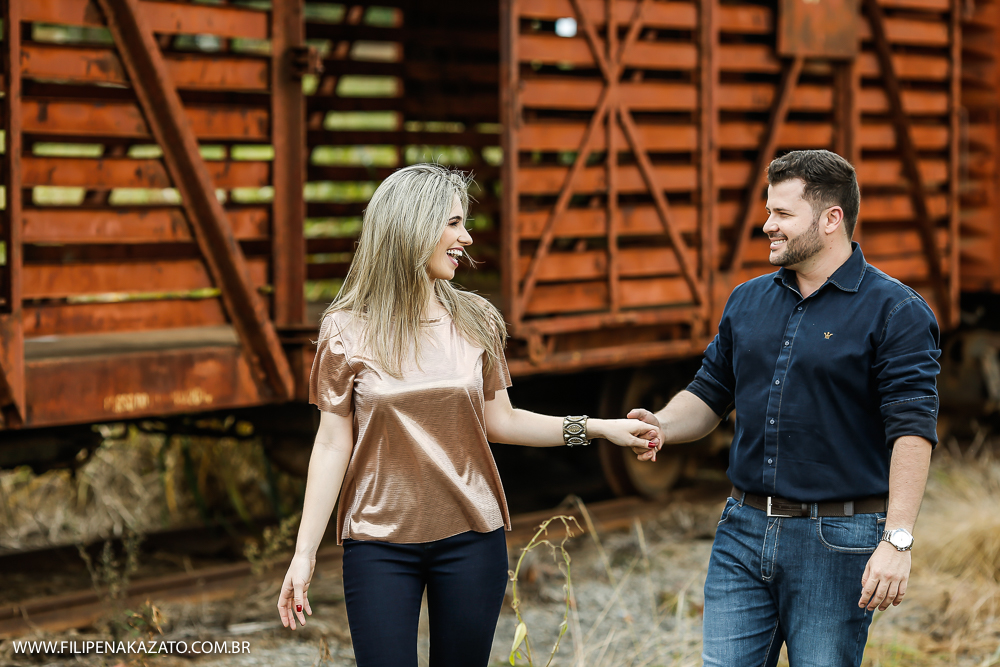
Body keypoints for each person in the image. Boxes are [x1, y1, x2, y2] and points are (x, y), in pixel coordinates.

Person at [275, 163, 658, 667]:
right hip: (377, 542)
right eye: (454, 223)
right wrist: (303, 553)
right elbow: (331, 443)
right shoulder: (345, 330)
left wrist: (601, 428)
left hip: (472, 538)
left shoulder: (476, 320)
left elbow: (503, 421)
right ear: (413, 227)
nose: (467, 237)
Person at [629, 150, 940, 666]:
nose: (767, 225)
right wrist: (660, 423)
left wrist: (898, 541)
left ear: (831, 219)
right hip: (742, 529)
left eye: (782, 213)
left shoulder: (897, 311)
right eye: (768, 211)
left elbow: (912, 429)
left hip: (836, 540)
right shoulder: (746, 300)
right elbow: (709, 393)